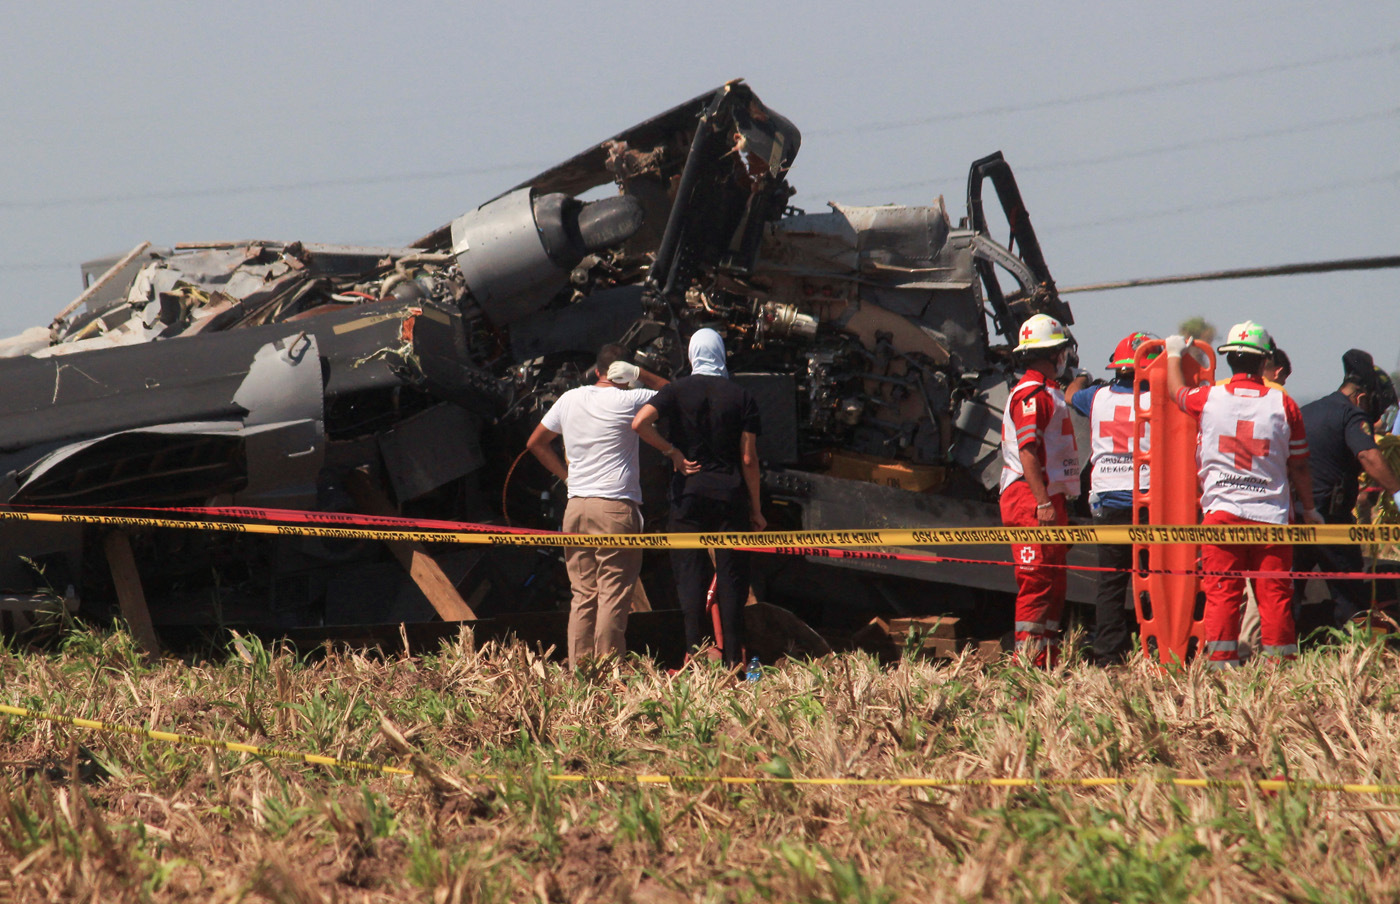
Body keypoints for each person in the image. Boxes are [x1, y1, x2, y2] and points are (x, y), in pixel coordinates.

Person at [1165, 321, 1322, 669]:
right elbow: (1299, 467)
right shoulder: (1284, 404)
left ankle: (1222, 666)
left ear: (1229, 360)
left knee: (1221, 594)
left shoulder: (1209, 398)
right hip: (1272, 517)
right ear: (1263, 361)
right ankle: (1279, 669)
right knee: (1275, 596)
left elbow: (1176, 392)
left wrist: (1174, 353)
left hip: (1222, 515)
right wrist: (1310, 509)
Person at [526, 345, 691, 670]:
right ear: (623, 372)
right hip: (614, 508)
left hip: (576, 508)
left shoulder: (570, 398)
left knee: (583, 594)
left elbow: (535, 443)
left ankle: (580, 675)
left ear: (597, 370)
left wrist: (568, 477)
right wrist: (641, 375)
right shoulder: (629, 399)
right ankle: (606, 674)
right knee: (613, 593)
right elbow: (676, 394)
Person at [632, 329, 763, 669]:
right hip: (730, 498)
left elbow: (640, 423)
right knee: (733, 578)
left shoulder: (675, 391)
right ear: (720, 353)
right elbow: (748, 459)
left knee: (690, 576)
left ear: (692, 355)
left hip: (688, 496)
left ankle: (698, 655)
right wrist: (757, 509)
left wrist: (673, 452)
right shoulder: (742, 395)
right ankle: (734, 657)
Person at [999, 313, 1088, 667]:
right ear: (1052, 354)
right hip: (1030, 498)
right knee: (1036, 580)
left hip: (1049, 499)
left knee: (1054, 582)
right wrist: (1041, 503)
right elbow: (1027, 452)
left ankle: (1045, 659)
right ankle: (1029, 666)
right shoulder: (1031, 395)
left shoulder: (1049, 392)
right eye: (1061, 352)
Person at [1292, 349, 1400, 628]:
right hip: (1331, 522)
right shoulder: (1352, 414)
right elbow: (1369, 456)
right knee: (1351, 596)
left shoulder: (1308, 411)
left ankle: (1283, 654)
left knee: (1288, 594)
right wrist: (1397, 492)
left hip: (1295, 517)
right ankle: (1357, 652)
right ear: (1363, 398)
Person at [1070, 331, 1155, 665]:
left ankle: (1108, 653)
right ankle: (1156, 647)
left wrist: (1082, 377)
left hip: (1106, 499)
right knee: (1151, 576)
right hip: (1144, 499)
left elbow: (1070, 394)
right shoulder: (1156, 400)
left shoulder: (1096, 397)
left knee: (1110, 580)